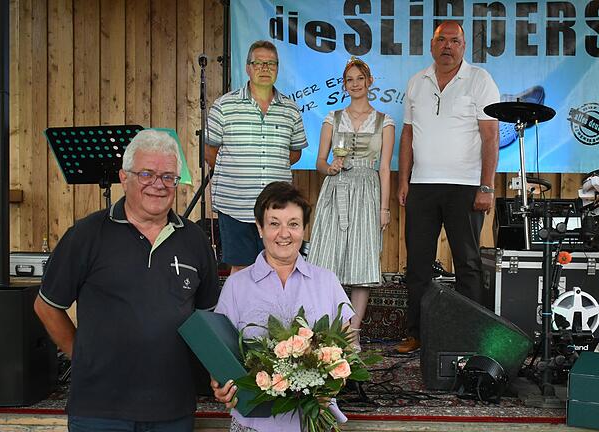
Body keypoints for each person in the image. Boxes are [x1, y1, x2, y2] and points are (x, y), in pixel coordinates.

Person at [34, 129, 220, 431]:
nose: (158, 185)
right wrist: (82, 357)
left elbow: (207, 318)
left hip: (173, 410)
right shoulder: (87, 235)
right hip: (100, 411)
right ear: (124, 177)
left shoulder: (195, 240)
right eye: (147, 174)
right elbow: (46, 306)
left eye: (168, 177)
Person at [211, 181, 353, 432]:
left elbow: (348, 346)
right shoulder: (236, 285)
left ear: (304, 229)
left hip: (314, 422)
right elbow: (220, 356)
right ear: (260, 228)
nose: (284, 233)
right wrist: (220, 385)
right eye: (274, 223)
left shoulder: (327, 281)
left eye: (293, 224)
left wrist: (334, 377)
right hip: (253, 424)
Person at [395, 21, 500, 354]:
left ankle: (468, 335)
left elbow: (491, 136)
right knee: (418, 265)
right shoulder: (417, 82)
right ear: (431, 45)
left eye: (455, 41)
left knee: (468, 263)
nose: (448, 46)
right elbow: (408, 135)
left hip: (466, 186)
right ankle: (417, 334)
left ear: (464, 47)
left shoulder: (480, 80)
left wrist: (486, 185)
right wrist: (404, 180)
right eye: (442, 40)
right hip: (422, 186)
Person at [307, 57, 395, 349]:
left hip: (368, 189)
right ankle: (325, 328)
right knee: (327, 260)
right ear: (344, 85)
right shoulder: (332, 117)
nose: (355, 84)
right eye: (350, 80)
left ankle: (352, 333)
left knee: (361, 262)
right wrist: (330, 166)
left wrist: (384, 208)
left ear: (369, 82)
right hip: (337, 188)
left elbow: (384, 168)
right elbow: (319, 161)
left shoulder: (385, 121)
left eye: (360, 78)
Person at [206, 40, 308, 274]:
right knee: (241, 269)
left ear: (278, 68)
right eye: (259, 63)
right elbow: (210, 151)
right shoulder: (224, 106)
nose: (265, 68)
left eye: (271, 64)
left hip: (277, 208)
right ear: (248, 68)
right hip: (235, 204)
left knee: (279, 267)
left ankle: (277, 312)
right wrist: (238, 172)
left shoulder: (291, 110)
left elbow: (294, 152)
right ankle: (237, 313)